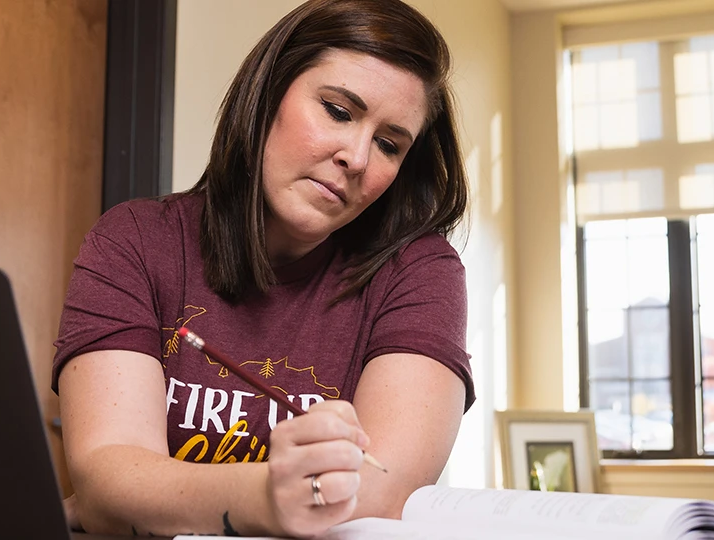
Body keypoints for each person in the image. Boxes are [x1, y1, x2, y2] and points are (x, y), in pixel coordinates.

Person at [51, 0, 472, 536]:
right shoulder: (134, 241)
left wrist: (147, 496)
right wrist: (268, 497)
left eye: (389, 144)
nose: (358, 158)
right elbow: (110, 476)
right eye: (339, 111)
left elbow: (383, 494)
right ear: (268, 91)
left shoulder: (420, 273)